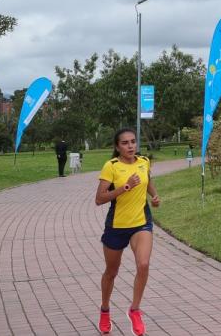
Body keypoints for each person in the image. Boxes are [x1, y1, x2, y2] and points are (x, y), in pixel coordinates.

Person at [95, 128, 160, 335]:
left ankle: (135, 310)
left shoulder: (143, 161)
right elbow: (100, 198)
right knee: (111, 272)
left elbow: (147, 179)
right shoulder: (111, 166)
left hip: (141, 222)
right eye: (125, 143)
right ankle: (105, 310)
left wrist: (155, 196)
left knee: (143, 264)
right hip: (116, 226)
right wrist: (125, 188)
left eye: (133, 142)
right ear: (117, 147)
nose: (130, 146)